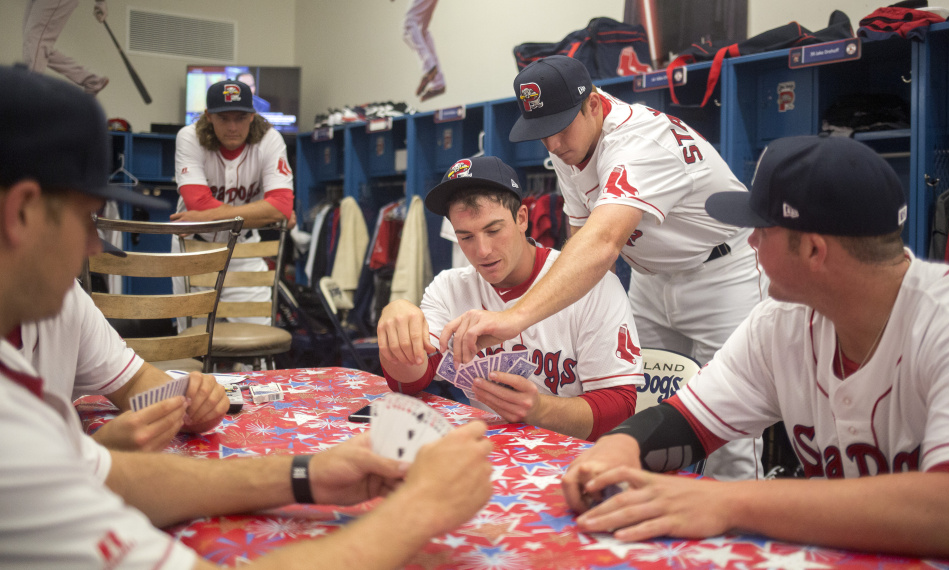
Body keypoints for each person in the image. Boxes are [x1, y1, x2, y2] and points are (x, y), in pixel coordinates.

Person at [0, 63, 494, 569]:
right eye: (87, 218)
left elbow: (101, 471)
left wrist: (307, 474)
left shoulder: (62, 308)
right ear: (21, 214)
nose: (92, 244)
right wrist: (422, 509)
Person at [561, 135, 949, 564]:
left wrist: (728, 502)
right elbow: (685, 422)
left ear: (813, 250)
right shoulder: (781, 323)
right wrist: (618, 447)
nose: (748, 242)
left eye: (761, 230)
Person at [441, 55, 768, 480]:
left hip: (723, 273)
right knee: (641, 408)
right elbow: (580, 239)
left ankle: (736, 538)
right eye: (542, 134)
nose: (554, 145)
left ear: (593, 105)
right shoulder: (570, 142)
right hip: (650, 278)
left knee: (728, 429)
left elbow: (602, 245)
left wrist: (513, 318)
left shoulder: (638, 144)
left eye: (560, 128)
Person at [377, 156, 645, 441]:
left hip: (578, 461)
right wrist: (397, 329)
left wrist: (540, 410)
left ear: (521, 219)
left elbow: (621, 408)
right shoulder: (449, 287)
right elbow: (409, 382)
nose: (482, 250)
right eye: (465, 237)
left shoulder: (592, 283)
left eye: (493, 230)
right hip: (493, 456)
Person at [10, 279, 230, 452]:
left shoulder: (67, 294)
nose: (94, 251)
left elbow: (133, 380)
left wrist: (189, 402)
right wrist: (96, 453)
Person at [171, 78, 295, 326]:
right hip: (194, 250)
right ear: (208, 116)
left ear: (252, 116)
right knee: (192, 344)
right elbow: (197, 202)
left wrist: (209, 216)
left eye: (239, 117)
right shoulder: (189, 137)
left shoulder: (270, 140)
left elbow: (281, 205)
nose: (232, 126)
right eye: (223, 118)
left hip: (245, 249)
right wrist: (263, 212)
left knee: (256, 341)